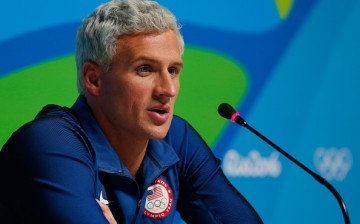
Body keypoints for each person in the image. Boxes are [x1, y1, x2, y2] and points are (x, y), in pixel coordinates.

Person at [0, 0, 263, 223]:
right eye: (145, 69)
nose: (168, 89)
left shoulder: (177, 139)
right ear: (94, 79)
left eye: (173, 70)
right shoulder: (51, 142)